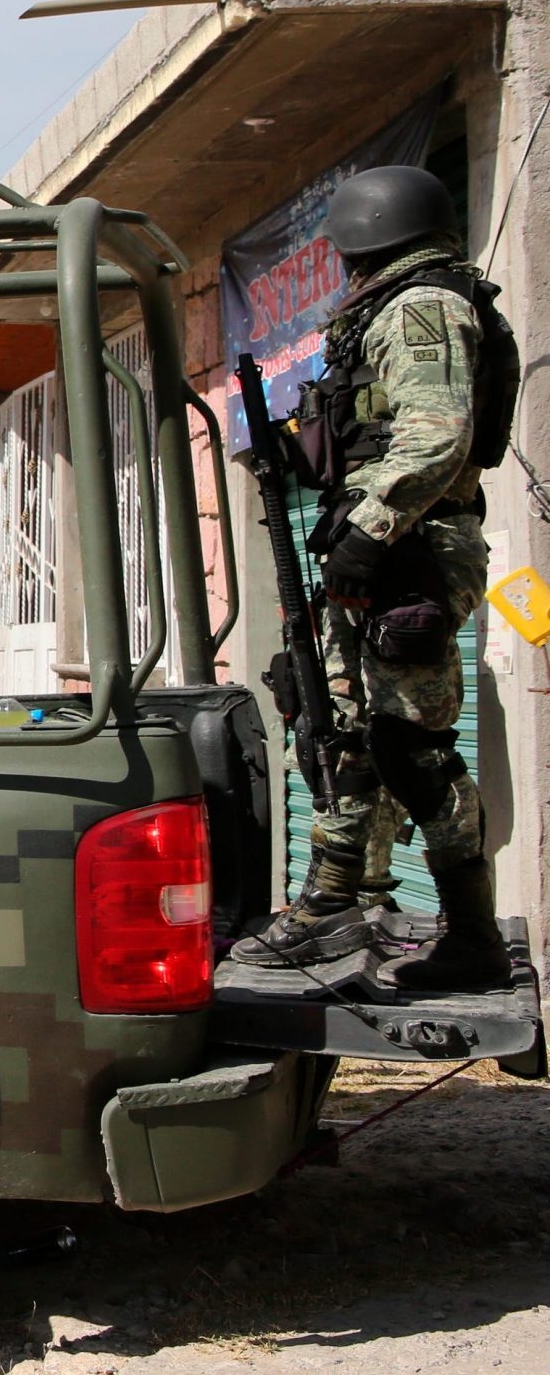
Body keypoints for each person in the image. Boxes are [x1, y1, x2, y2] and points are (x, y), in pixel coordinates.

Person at [233, 164, 515, 991]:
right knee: (339, 725)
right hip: (384, 547)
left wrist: (369, 534)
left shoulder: (422, 307)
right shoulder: (385, 314)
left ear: (367, 237)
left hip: (411, 550)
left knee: (415, 750)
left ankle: (472, 939)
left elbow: (434, 440)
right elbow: (375, 434)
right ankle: (328, 904)